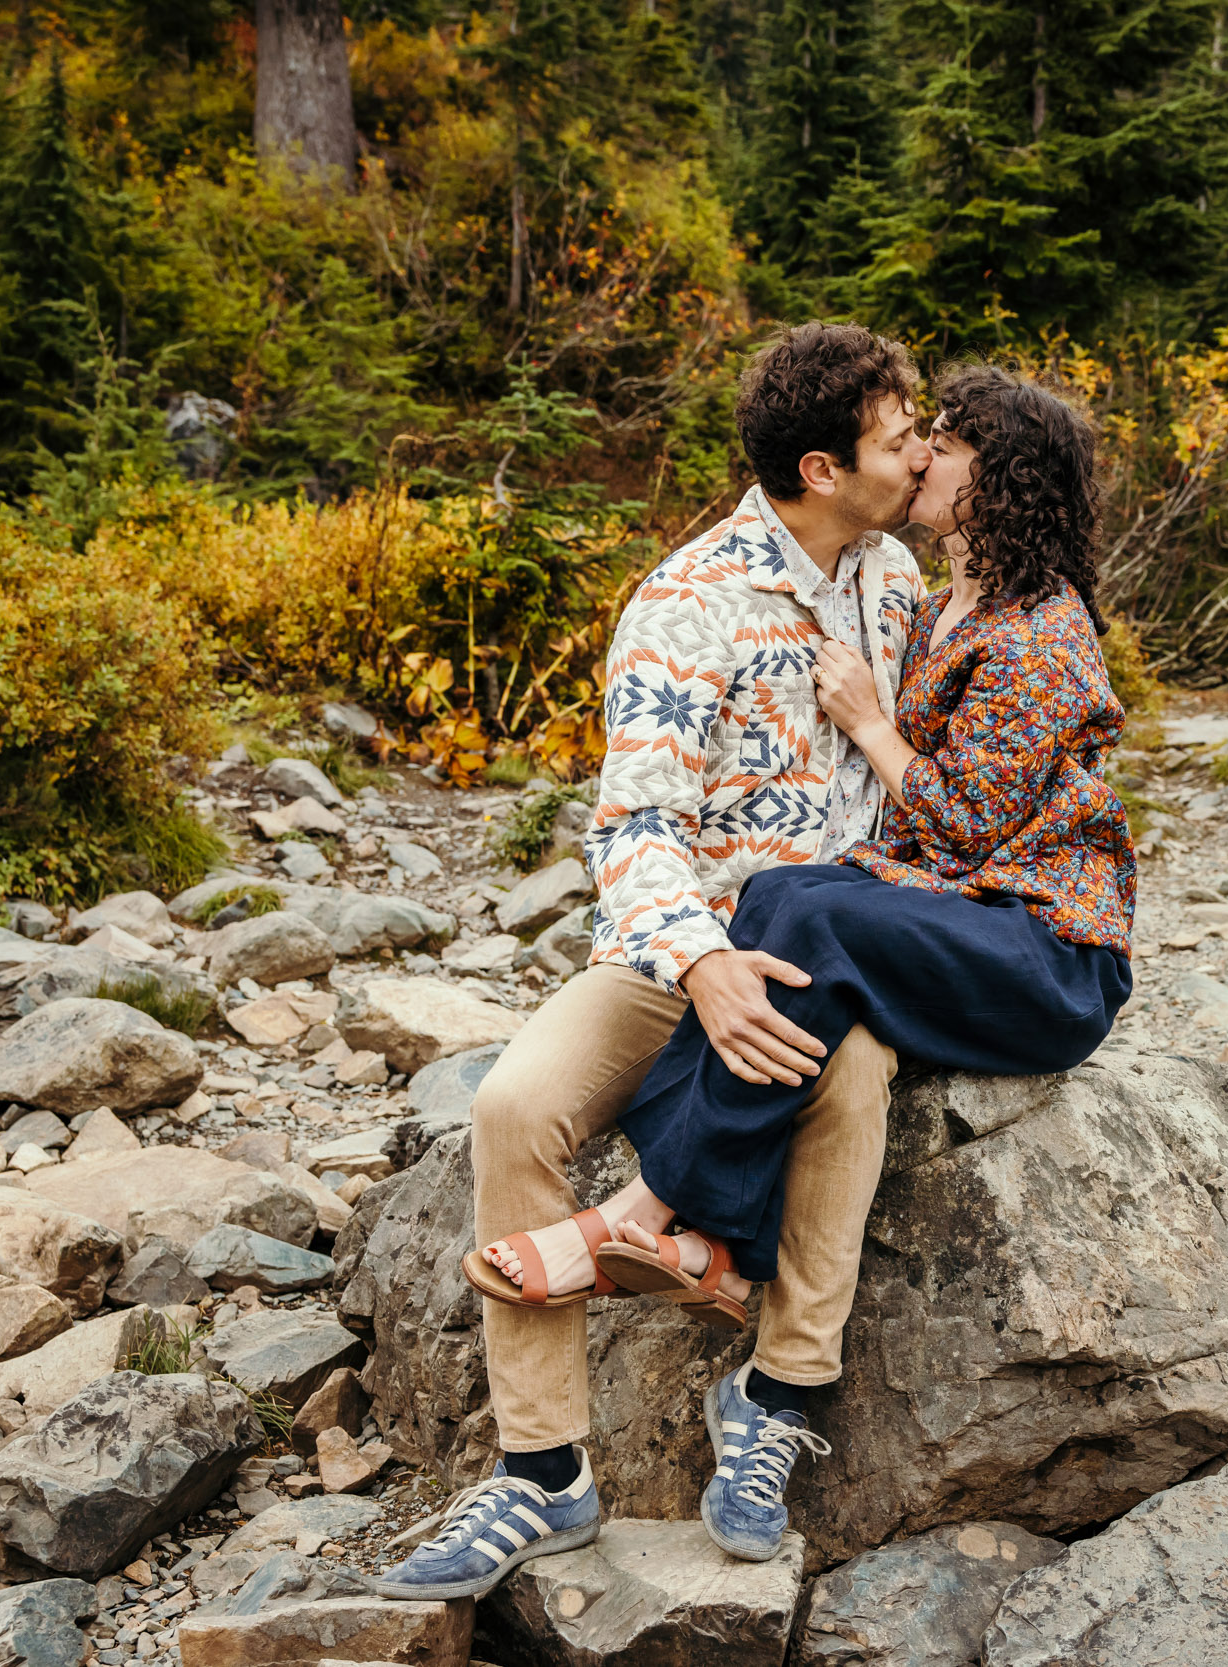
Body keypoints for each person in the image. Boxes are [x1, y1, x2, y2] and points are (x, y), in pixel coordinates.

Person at [373, 322, 932, 1601]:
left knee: (848, 1079)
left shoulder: (894, 578)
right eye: (896, 439)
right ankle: (541, 1471)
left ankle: (774, 1397)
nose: (914, 455)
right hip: (674, 946)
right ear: (819, 466)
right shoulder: (690, 601)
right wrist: (703, 968)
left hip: (830, 944)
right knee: (514, 1104)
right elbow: (631, 829)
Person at [592, 364, 1136, 1563]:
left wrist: (869, 724)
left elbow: (971, 832)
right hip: (974, 923)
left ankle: (668, 1204)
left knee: (813, 916)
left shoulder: (1042, 629)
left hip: (1048, 955)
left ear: (997, 481)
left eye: (942, 447)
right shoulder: (947, 599)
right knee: (782, 895)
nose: (920, 460)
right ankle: (725, 1288)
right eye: (913, 439)